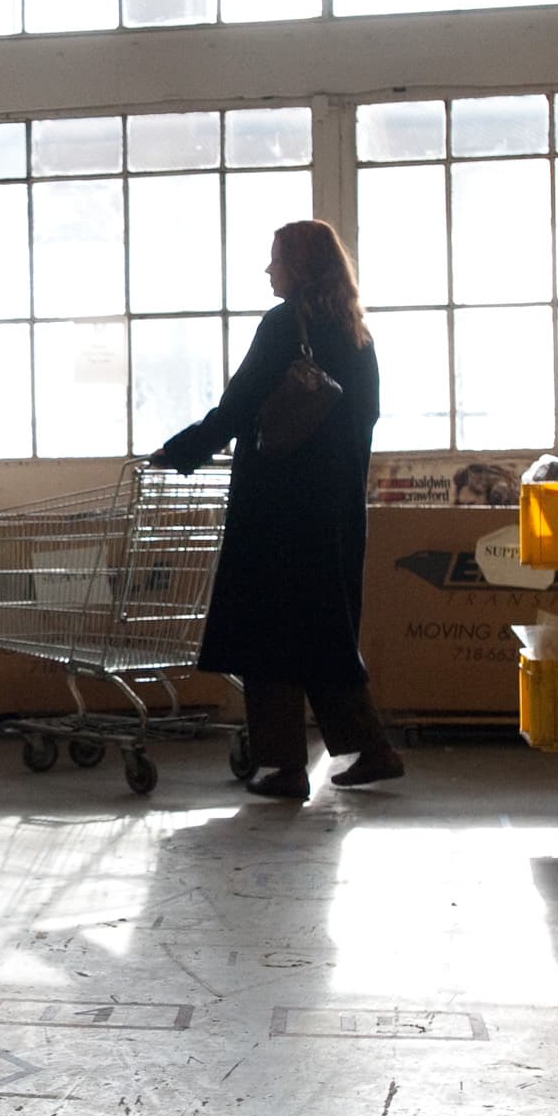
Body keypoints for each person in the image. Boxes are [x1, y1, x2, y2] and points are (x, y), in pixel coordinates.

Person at [149, 219, 403, 800]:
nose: (268, 270)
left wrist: (180, 450)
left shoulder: (284, 324)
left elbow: (238, 406)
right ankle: (374, 749)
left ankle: (285, 766)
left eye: (275, 260)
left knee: (266, 632)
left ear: (301, 268)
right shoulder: (356, 333)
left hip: (278, 509)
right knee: (322, 631)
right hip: (334, 510)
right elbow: (367, 417)